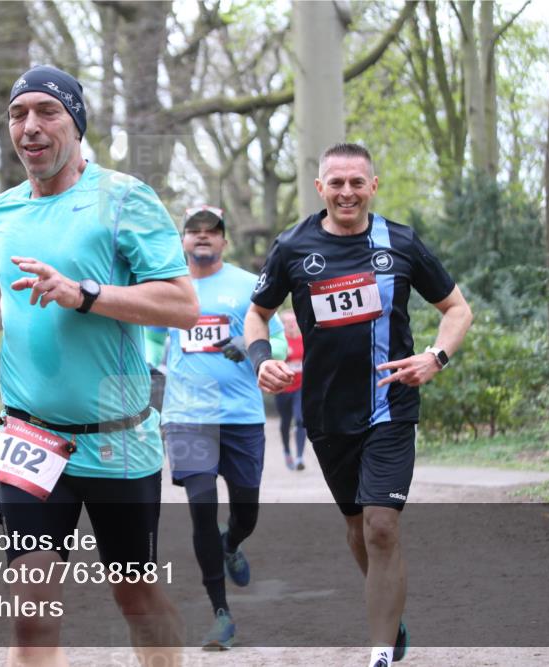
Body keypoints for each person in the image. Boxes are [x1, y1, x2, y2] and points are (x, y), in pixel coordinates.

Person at [0, 65, 199, 667]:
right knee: (31, 615)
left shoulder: (124, 199)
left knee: (136, 598)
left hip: (117, 441)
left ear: (76, 122)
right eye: (18, 114)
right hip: (29, 436)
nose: (30, 126)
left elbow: (182, 305)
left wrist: (84, 294)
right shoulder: (0, 212)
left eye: (47, 111)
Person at [244, 143, 473, 667]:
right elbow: (257, 314)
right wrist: (262, 359)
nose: (346, 192)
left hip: (391, 405)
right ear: (320, 188)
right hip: (327, 412)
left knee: (381, 526)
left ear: (373, 186)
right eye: (336, 183)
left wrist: (435, 357)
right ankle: (390, 610)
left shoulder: (401, 242)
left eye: (356, 182)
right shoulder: (292, 247)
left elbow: (457, 309)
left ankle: (380, 652)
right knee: (356, 527)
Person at [145, 205, 286, 650]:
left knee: (247, 511)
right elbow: (151, 343)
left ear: (225, 240)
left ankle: (232, 543)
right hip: (187, 418)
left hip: (242, 415)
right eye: (194, 230)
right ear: (183, 241)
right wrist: (148, 373)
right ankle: (221, 615)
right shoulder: (169, 289)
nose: (203, 236)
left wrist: (246, 344)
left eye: (212, 230)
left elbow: (280, 342)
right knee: (201, 507)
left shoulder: (248, 286)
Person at [275, 310, 307, 471]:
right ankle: (287, 451)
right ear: (283, 325)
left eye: (293, 321)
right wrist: (283, 357)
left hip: (300, 388)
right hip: (283, 388)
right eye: (287, 322)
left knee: (300, 419)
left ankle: (300, 457)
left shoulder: (304, 340)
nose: (291, 324)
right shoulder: (281, 343)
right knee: (285, 422)